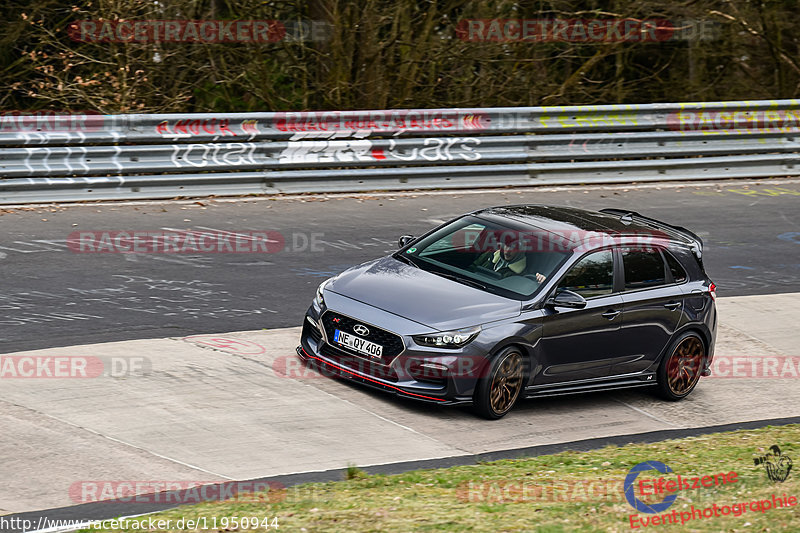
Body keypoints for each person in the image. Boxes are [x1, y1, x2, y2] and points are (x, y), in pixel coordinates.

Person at [473, 241, 546, 282]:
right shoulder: (490, 254)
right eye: (506, 245)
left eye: (513, 247)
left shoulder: (523, 274)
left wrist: (541, 281)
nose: (507, 251)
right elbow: (471, 268)